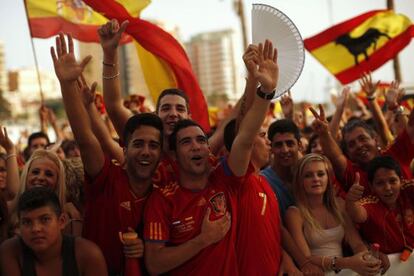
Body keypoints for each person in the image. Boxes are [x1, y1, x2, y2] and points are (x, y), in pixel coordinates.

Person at [143, 40, 277, 275]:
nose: (196, 146)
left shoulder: (224, 180)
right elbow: (154, 265)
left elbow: (243, 137)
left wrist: (263, 92)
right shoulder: (161, 199)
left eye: (201, 140)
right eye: (186, 142)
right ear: (175, 153)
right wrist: (203, 240)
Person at [50, 32, 164, 275]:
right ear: (125, 147)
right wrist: (67, 85)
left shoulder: (165, 193)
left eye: (153, 146)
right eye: (138, 144)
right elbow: (85, 138)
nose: (145, 151)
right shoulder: (106, 178)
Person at [285, 153, 388, 275]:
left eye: (321, 174)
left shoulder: (339, 204)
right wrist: (348, 262)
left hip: (344, 272)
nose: (316, 179)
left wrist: (366, 258)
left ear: (328, 178)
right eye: (308, 175)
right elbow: (305, 258)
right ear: (299, 181)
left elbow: (357, 243)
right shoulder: (294, 213)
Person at [310, 102, 414, 196]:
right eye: (351, 144)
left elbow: (411, 127)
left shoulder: (395, 153)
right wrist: (324, 134)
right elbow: (335, 156)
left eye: (363, 138)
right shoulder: (354, 176)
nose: (359, 145)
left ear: (375, 139)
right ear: (348, 153)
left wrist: (395, 106)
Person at [0, 187, 107, 276]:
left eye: (45, 219)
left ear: (62, 221)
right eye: (27, 222)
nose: (36, 229)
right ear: (19, 225)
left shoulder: (87, 255)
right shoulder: (10, 251)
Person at [346, 156, 414, 255]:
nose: (387, 187)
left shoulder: (409, 189)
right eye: (380, 183)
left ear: (401, 180)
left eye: (392, 181)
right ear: (371, 186)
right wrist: (351, 201)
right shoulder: (370, 203)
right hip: (390, 267)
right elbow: (357, 214)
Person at [261, 119, 301, 218]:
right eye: (278, 145)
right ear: (271, 148)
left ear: (299, 145)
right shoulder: (263, 181)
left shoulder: (308, 175)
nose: (285, 150)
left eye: (290, 143)